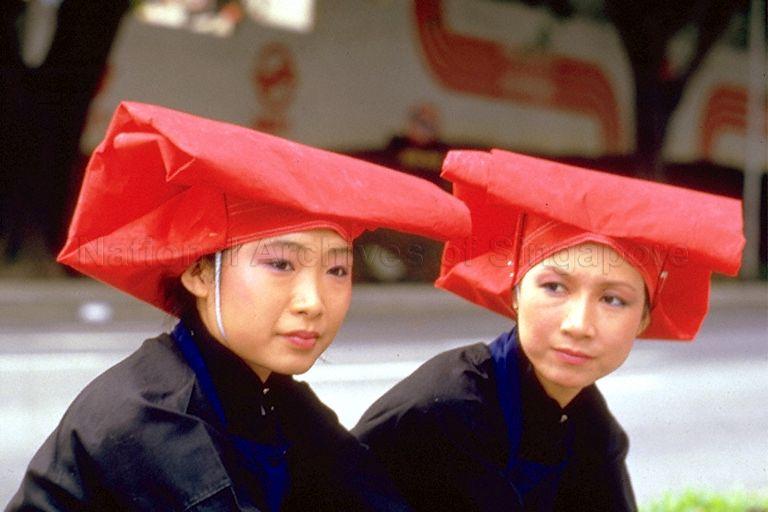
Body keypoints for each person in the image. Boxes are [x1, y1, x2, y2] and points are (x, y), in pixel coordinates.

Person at [6, 102, 471, 511]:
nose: (312, 302)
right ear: (199, 273)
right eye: (281, 264)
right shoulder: (153, 416)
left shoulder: (277, 399)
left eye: (336, 270)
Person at [352, 149, 745, 511]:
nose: (579, 325)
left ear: (644, 318)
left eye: (613, 300)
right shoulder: (446, 410)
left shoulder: (592, 428)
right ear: (515, 291)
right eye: (555, 288)